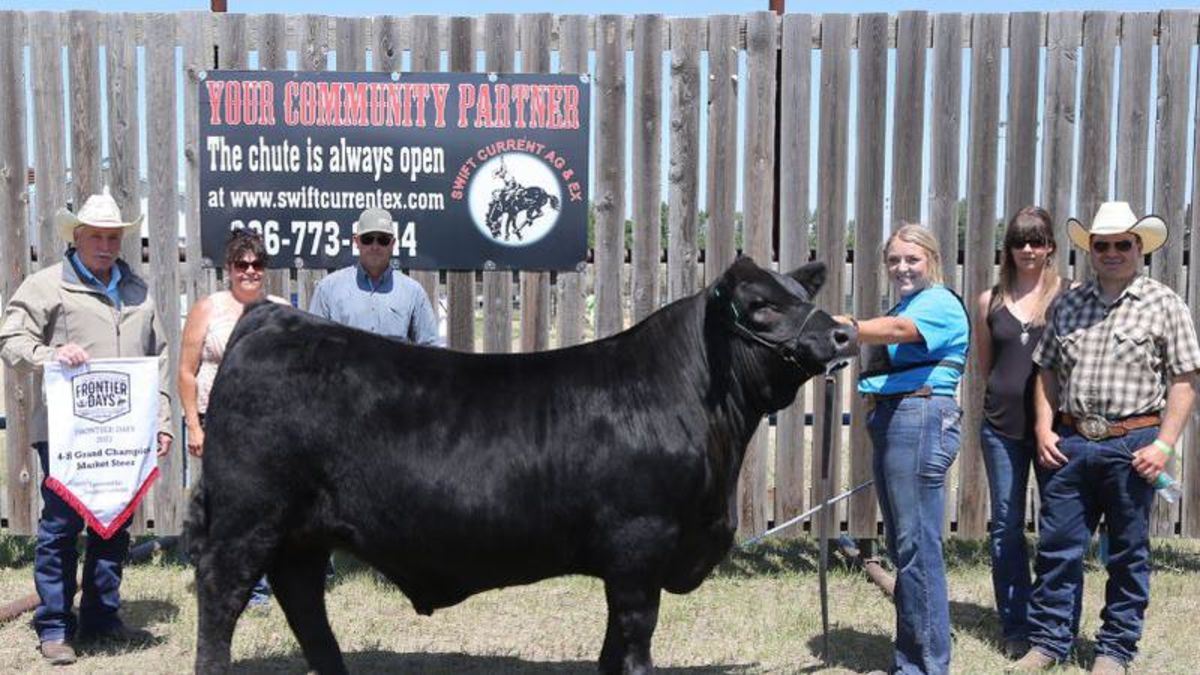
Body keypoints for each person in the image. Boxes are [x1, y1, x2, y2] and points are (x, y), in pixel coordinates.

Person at [1013, 202, 1200, 675]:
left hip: (1133, 444)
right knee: (1057, 548)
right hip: (1071, 442)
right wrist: (1042, 427)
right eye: (1102, 245)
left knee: (1127, 553)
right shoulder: (1069, 303)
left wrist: (1164, 445)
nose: (1112, 252)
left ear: (1139, 248)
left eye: (1122, 244)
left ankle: (1114, 650)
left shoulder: (1164, 303)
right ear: (1090, 250)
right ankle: (1049, 642)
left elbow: (1184, 379)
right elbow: (1046, 370)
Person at [0, 193, 172, 665]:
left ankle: (101, 618)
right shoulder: (47, 286)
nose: (105, 245)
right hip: (66, 433)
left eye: (113, 237)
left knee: (114, 525)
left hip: (124, 435)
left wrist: (160, 421)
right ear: (76, 237)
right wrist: (50, 355)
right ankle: (55, 626)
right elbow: (11, 339)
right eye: (96, 236)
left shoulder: (138, 292)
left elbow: (156, 360)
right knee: (60, 527)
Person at [840, 223, 970, 675]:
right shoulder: (906, 304)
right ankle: (911, 661)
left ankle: (927, 666)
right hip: (895, 418)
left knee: (917, 548)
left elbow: (897, 331)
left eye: (912, 259)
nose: (902, 267)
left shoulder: (938, 302)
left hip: (920, 417)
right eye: (894, 260)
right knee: (904, 546)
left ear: (932, 260)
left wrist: (850, 326)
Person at [178, 230, 286, 608]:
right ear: (229, 268)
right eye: (242, 264)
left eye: (257, 264)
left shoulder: (278, 309)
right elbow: (186, 372)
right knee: (220, 505)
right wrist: (194, 426)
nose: (250, 271)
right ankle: (219, 581)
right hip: (216, 421)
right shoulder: (208, 308)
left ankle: (257, 585)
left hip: (264, 425)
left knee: (262, 505)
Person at [975, 207, 1063, 660]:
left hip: (1056, 433)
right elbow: (986, 366)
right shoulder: (988, 300)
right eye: (1019, 241)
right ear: (1007, 248)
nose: (1028, 249)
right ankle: (1015, 625)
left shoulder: (1069, 295)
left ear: (1050, 247)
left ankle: (1051, 624)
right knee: (1006, 528)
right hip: (1001, 430)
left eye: (1037, 240)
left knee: (1058, 528)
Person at [309, 207, 439, 345]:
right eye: (368, 239)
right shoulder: (328, 289)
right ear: (356, 242)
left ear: (393, 244)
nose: (375, 246)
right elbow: (312, 343)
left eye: (383, 240)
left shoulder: (413, 293)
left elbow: (430, 347)